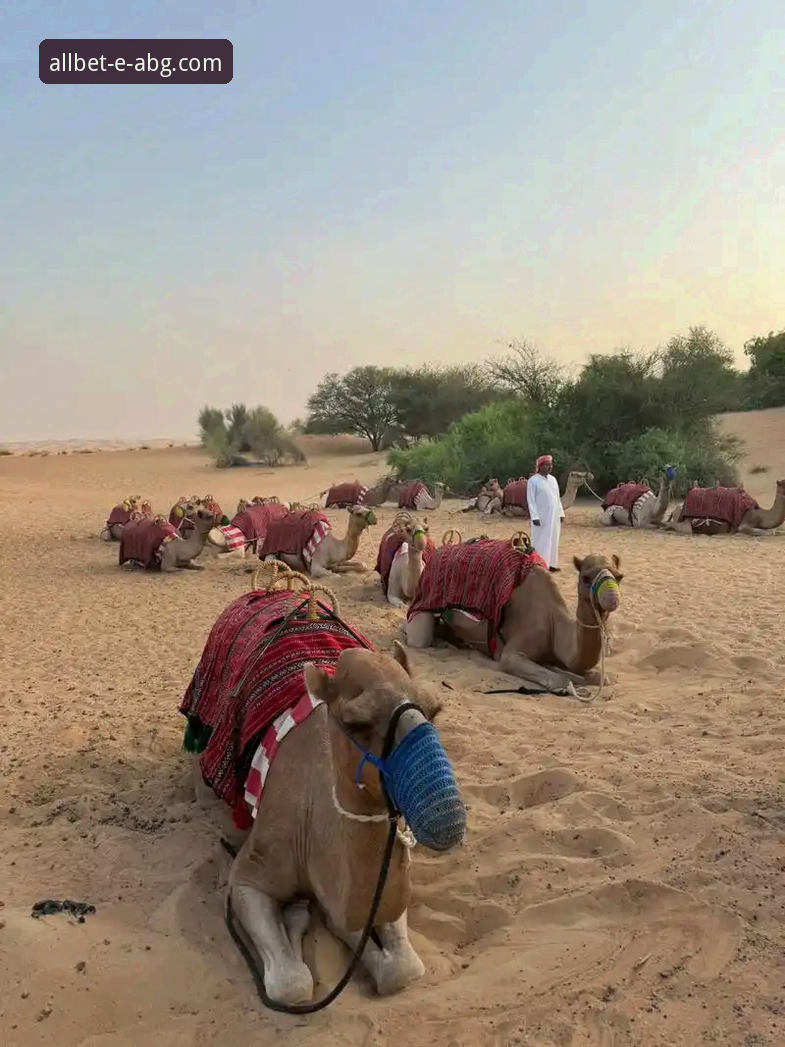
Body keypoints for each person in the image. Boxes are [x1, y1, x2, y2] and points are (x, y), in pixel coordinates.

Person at [526, 454, 564, 572]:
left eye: (550, 465)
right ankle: (540, 564)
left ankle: (551, 564)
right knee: (541, 541)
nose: (550, 467)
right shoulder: (533, 481)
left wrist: (561, 513)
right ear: (540, 466)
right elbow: (531, 500)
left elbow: (557, 498)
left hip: (554, 515)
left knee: (554, 538)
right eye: (547, 465)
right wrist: (534, 516)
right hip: (541, 516)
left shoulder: (553, 480)